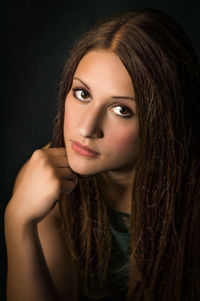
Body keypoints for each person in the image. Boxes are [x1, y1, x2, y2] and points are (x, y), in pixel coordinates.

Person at [4, 8, 200, 301]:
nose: (86, 128)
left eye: (122, 109)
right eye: (83, 94)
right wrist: (17, 221)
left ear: (163, 120)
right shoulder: (45, 182)